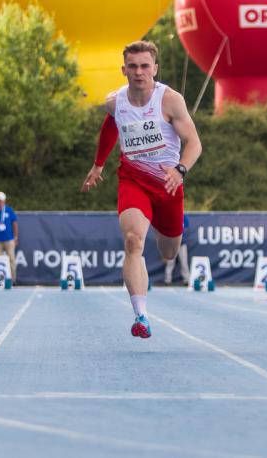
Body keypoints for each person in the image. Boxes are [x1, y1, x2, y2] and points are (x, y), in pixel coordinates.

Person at [81, 40, 202, 339]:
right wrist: (98, 164)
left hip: (168, 184)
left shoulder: (170, 100)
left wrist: (180, 170)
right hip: (133, 180)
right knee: (134, 240)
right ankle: (141, 316)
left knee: (169, 252)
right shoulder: (115, 101)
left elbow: (195, 144)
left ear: (155, 69)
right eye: (133, 66)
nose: (139, 72)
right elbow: (111, 125)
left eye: (145, 66)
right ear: (124, 70)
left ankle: (154, 253)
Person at [164, 213, 192, 286]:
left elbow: (186, 228)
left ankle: (186, 280)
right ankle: (167, 281)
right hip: (171, 243)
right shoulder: (170, 217)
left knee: (184, 263)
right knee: (170, 263)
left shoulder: (184, 217)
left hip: (182, 243)